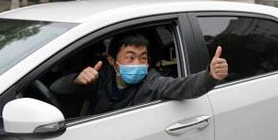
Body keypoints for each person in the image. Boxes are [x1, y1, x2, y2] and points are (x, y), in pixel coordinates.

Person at [51, 33, 228, 115]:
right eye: (130, 57)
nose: (138, 64)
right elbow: (56, 89)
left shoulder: (152, 83)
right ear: (112, 60)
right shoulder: (100, 77)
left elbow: (183, 87)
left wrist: (210, 75)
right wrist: (77, 81)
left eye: (143, 58)